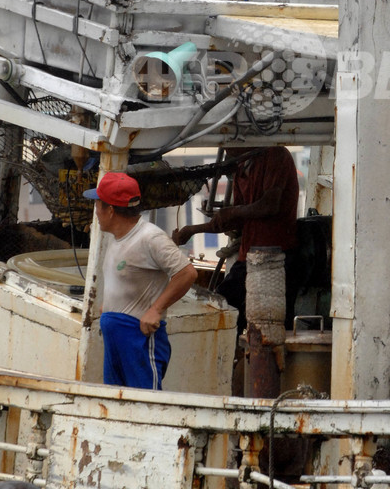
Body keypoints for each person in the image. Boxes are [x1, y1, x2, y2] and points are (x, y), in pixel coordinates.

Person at [83, 172, 198, 390]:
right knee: (117, 404)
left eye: (98, 204)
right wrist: (108, 307)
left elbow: (187, 273)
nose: (95, 212)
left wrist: (156, 309)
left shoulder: (150, 237)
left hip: (138, 338)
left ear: (110, 210)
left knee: (146, 404)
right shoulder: (116, 238)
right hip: (116, 337)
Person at [172, 146, 300, 335]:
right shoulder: (240, 168)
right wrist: (193, 230)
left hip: (278, 255)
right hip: (249, 254)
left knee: (275, 320)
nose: (225, 149)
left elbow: (270, 205)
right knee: (224, 304)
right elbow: (237, 219)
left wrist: (232, 211)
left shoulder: (275, 155)